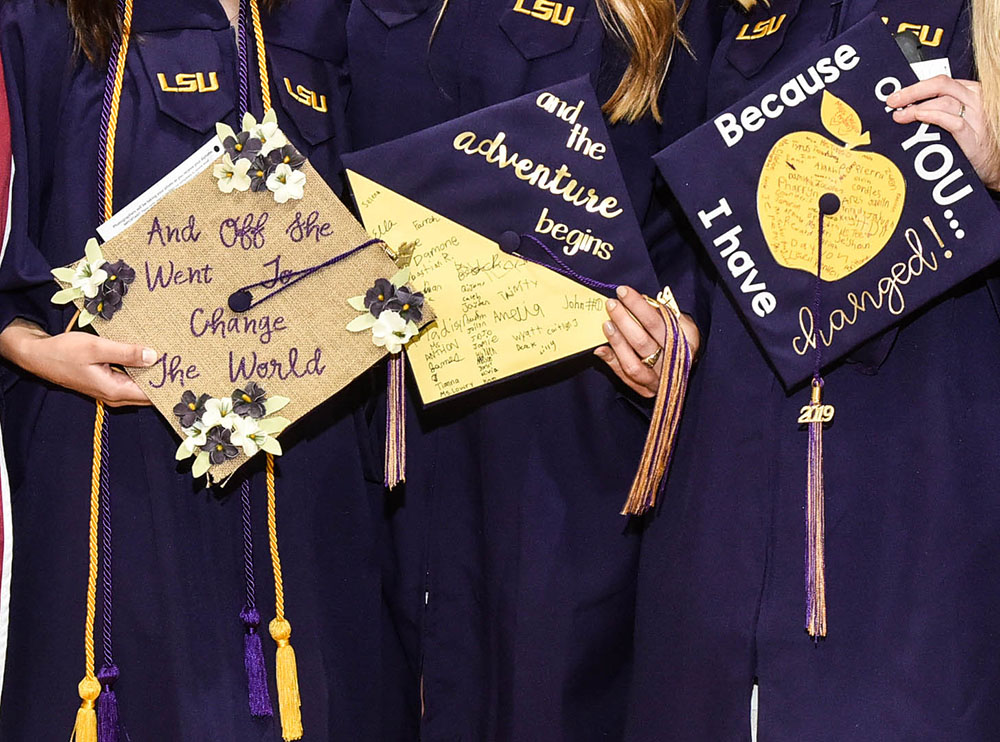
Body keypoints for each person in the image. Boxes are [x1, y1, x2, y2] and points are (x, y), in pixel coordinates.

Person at [611, 1, 1000, 739]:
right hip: (725, 511)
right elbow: (689, 231)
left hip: (922, 522)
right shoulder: (735, 11)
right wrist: (674, 339)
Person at [0, 0, 383, 738]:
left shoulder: (326, 20)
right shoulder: (45, 17)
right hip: (114, 463)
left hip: (308, 477)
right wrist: (29, 347)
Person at [344, 0, 718, 738]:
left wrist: (677, 333)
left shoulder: (665, 15)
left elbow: (704, 215)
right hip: (378, 417)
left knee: (551, 692)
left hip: (571, 426)